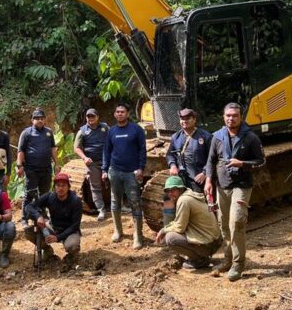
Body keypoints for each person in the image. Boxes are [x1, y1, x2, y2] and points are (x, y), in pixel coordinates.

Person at [204, 102, 265, 282]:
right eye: (228, 115)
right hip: (222, 186)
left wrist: (243, 164)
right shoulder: (217, 137)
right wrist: (208, 180)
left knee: (236, 222)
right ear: (224, 117)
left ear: (241, 117)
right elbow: (210, 161)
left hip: (242, 185)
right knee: (223, 225)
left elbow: (261, 161)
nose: (231, 119)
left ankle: (238, 264)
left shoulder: (250, 137)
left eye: (235, 116)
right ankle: (227, 259)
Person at [102, 102, 147, 249]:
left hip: (132, 172)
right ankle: (118, 231)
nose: (120, 114)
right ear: (115, 114)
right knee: (115, 201)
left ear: (128, 114)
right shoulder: (111, 131)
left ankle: (138, 235)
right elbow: (106, 152)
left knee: (135, 202)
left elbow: (142, 150)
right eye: (117, 112)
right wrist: (104, 169)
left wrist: (141, 168)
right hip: (114, 171)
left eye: (122, 112)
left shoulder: (136, 130)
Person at [156, 176, 223, 270]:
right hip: (213, 240)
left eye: (173, 190)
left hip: (209, 244)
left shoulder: (184, 200)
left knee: (170, 238)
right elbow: (179, 222)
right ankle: (200, 255)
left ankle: (200, 260)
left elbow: (180, 227)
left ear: (180, 189)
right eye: (168, 191)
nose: (170, 194)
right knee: (172, 232)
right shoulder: (189, 195)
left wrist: (164, 230)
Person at [23, 173, 83, 266]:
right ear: (54, 187)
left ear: (68, 187)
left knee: (73, 247)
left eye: (63, 185)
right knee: (29, 232)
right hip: (53, 227)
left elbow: (75, 225)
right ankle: (47, 250)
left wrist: (58, 238)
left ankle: (71, 256)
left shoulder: (75, 201)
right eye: (58, 185)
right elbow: (28, 207)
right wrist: (38, 216)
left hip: (70, 231)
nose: (60, 188)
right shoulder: (50, 196)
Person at [16, 108, 58, 227]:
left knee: (45, 194)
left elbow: (53, 149)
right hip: (31, 169)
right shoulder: (26, 133)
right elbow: (21, 151)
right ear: (32, 120)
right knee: (29, 194)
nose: (39, 120)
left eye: (41, 118)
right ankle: (24, 218)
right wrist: (19, 166)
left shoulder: (49, 132)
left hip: (46, 169)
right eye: (37, 118)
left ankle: (43, 215)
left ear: (45, 120)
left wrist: (57, 164)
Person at [73, 108, 109, 221]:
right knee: (95, 186)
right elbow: (77, 148)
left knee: (115, 181)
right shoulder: (82, 131)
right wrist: (84, 157)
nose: (90, 118)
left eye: (92, 116)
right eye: (88, 116)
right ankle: (101, 210)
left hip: (107, 161)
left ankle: (119, 205)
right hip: (92, 163)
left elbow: (113, 140)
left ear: (97, 117)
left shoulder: (105, 128)